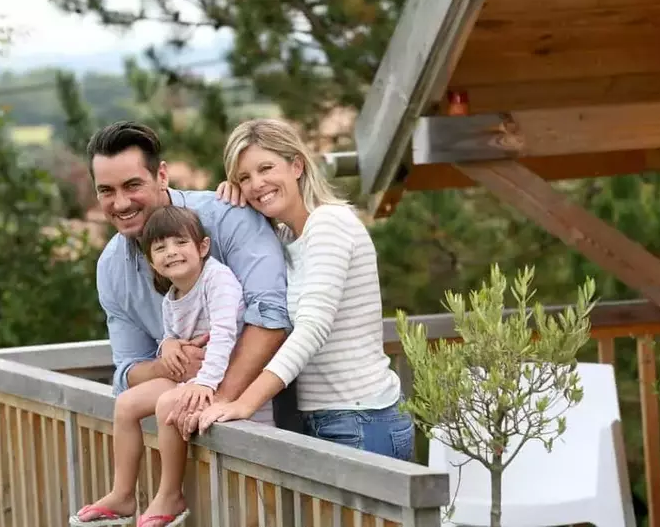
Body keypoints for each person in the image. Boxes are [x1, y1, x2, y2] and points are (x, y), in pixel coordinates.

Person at [70, 121, 297, 525]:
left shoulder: (227, 217)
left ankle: (166, 495)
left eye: (132, 186)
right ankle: (128, 495)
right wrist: (170, 359)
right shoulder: (110, 268)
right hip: (189, 425)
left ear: (161, 175)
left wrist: (218, 398)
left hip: (273, 420)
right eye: (107, 191)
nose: (120, 203)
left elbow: (272, 318)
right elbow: (128, 371)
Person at [182, 118, 414, 460]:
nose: (257, 183)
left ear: (296, 165)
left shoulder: (329, 223)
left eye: (266, 168)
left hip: (361, 420)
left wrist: (242, 402)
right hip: (321, 419)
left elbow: (312, 329)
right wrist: (233, 208)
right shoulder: (286, 239)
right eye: (244, 177)